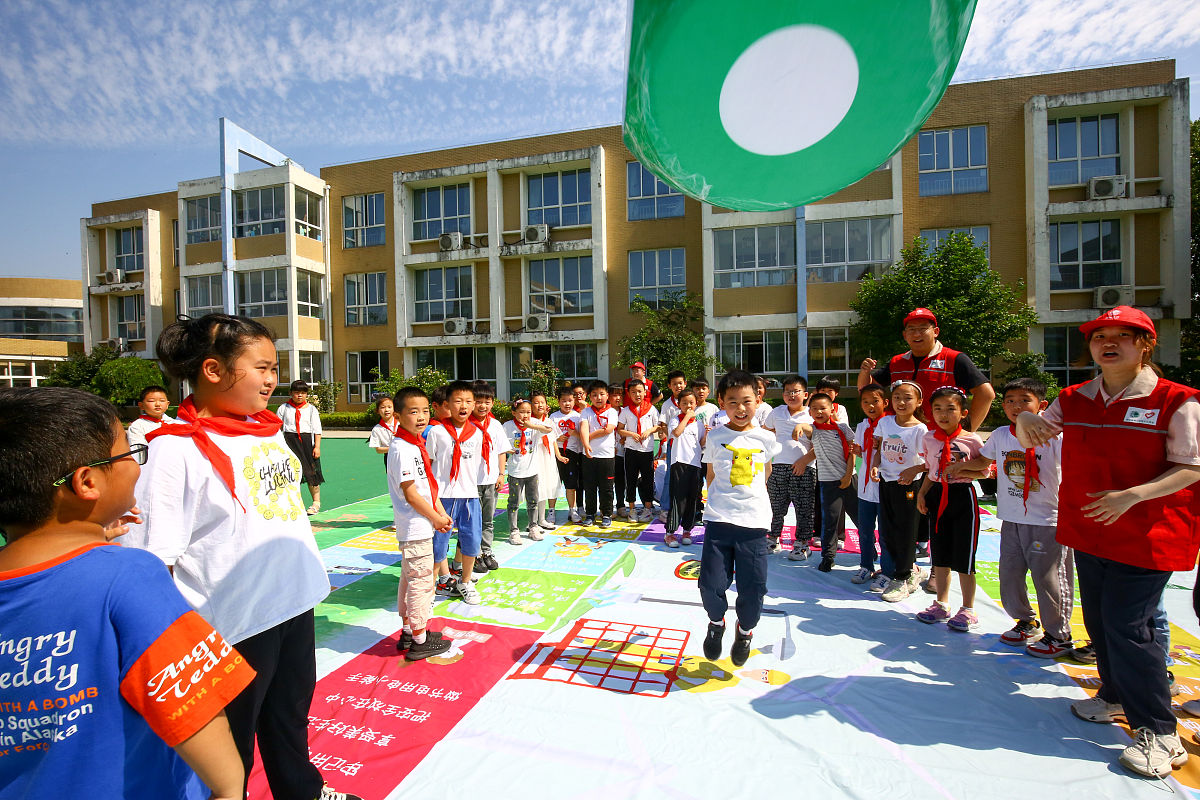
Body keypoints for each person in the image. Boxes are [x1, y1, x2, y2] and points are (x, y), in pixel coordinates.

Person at [122, 314, 356, 800]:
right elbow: (150, 560)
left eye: (275, 368)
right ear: (212, 370)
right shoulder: (174, 452)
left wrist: (307, 571)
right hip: (233, 623)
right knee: (234, 738)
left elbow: (283, 513)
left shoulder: (267, 431)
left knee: (289, 714)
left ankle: (302, 791)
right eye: (263, 367)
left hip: (291, 602)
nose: (274, 379)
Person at [0, 386, 252, 800]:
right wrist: (228, 787)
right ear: (87, 482)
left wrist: (93, 537)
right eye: (127, 453)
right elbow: (192, 706)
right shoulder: (128, 575)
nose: (136, 465)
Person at [1016, 306, 1200, 779]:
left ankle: (1159, 731)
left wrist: (1132, 497)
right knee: (1098, 618)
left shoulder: (1177, 400)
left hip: (1145, 535)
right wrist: (1023, 425)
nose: (1108, 343)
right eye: (1100, 336)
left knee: (1127, 625)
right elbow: (1033, 430)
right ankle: (1114, 695)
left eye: (1123, 335)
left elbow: (1192, 467)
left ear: (1145, 345)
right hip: (1089, 527)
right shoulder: (1074, 397)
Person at [949, 377, 1072, 656]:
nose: (1016, 406)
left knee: (1048, 578)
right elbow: (984, 461)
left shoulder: (1057, 436)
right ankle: (1027, 622)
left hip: (1048, 521)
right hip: (1011, 517)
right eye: (1010, 401)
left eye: (1024, 400)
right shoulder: (1003, 434)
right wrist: (960, 469)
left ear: (1042, 405)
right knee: (1010, 574)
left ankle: (1059, 635)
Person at [699, 370, 781, 667]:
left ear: (758, 400)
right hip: (719, 521)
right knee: (710, 584)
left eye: (747, 401)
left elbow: (767, 471)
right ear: (721, 402)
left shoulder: (765, 439)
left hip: (755, 524)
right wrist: (720, 501)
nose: (741, 408)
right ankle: (716, 623)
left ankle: (744, 632)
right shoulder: (716, 436)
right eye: (732, 402)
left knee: (753, 588)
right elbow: (710, 474)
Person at [387, 387, 454, 661]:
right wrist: (436, 517)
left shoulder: (414, 444)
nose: (421, 416)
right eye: (413, 412)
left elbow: (426, 488)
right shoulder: (402, 448)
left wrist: (438, 510)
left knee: (409, 579)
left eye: (425, 410)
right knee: (422, 583)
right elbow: (412, 494)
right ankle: (419, 637)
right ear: (398, 415)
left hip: (419, 525)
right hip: (415, 527)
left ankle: (409, 630)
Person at [913, 387, 987, 631]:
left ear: (963, 412)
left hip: (962, 497)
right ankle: (941, 604)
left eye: (950, 409)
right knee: (940, 554)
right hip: (936, 495)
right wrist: (922, 494)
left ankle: (968, 609)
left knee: (964, 557)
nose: (943, 415)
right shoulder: (929, 439)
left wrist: (960, 470)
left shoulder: (972, 439)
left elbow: (985, 471)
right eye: (937, 409)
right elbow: (931, 471)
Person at [857, 307, 996, 432]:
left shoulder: (954, 359)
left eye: (923, 328)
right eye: (911, 329)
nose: (917, 334)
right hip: (902, 440)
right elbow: (868, 390)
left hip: (938, 440)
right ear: (905, 335)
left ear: (936, 332)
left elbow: (986, 394)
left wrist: (966, 431)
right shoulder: (897, 362)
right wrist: (865, 371)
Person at [425, 380, 485, 604]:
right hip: (443, 497)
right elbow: (430, 464)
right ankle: (431, 587)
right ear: (448, 404)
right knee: (438, 543)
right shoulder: (437, 432)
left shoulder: (477, 434)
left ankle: (465, 582)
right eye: (458, 401)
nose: (464, 405)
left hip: (469, 495)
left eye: (469, 401)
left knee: (471, 540)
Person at [873, 380, 928, 603]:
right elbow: (879, 450)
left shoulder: (920, 429)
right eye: (897, 397)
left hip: (908, 486)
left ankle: (902, 578)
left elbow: (929, 461)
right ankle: (907, 569)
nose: (902, 402)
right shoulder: (885, 422)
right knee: (887, 530)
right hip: (886, 482)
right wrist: (876, 465)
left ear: (919, 402)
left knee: (906, 532)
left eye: (907, 398)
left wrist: (913, 469)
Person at [799, 393, 859, 573]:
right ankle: (828, 557)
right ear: (809, 412)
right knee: (830, 521)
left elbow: (852, 452)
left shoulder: (842, 427)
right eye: (814, 408)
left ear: (832, 409)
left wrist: (848, 476)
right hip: (827, 482)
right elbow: (806, 428)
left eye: (823, 408)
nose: (819, 411)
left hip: (849, 478)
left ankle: (870, 550)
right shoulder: (814, 430)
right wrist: (800, 426)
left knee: (859, 517)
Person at [763, 375, 816, 559]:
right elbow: (765, 430)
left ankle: (802, 544)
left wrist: (804, 461)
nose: (791, 395)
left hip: (804, 468)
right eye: (787, 392)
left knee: (803, 508)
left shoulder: (812, 414)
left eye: (796, 391)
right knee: (775, 506)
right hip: (778, 466)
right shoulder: (777, 412)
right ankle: (772, 538)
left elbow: (821, 443)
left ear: (805, 394)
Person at [470, 380, 511, 572]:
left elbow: (501, 451)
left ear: (493, 403)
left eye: (487, 401)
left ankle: (486, 551)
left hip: (491, 480)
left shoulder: (495, 425)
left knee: (488, 520)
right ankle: (475, 554)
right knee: (472, 521)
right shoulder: (465, 424)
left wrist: (501, 474)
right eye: (479, 401)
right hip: (471, 482)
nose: (483, 406)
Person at [852, 383, 890, 586]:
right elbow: (861, 451)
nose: (870, 405)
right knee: (865, 530)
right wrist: (857, 451)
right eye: (865, 402)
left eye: (875, 401)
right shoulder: (862, 426)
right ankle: (866, 565)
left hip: (885, 486)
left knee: (885, 533)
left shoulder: (892, 425)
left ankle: (887, 570)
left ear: (885, 402)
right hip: (865, 486)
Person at [664, 387, 706, 548]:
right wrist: (686, 417)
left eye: (691, 403)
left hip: (695, 464)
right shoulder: (676, 419)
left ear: (696, 404)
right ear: (679, 405)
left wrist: (707, 434)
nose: (688, 406)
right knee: (678, 498)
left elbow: (701, 444)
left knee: (692, 498)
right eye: (684, 403)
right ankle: (670, 533)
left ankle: (687, 529)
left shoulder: (699, 424)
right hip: (679, 462)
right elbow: (676, 433)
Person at [276, 379, 324, 515]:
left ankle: (316, 503)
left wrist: (317, 447)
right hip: (289, 442)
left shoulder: (311, 410)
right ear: (291, 393)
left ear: (306, 394)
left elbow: (317, 429)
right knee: (289, 473)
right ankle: (293, 503)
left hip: (307, 443)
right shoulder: (284, 408)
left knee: (311, 473)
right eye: (296, 392)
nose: (299, 395)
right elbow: (277, 427)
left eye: (303, 393)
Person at [617, 378, 660, 521]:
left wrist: (649, 431)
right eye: (633, 392)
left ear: (645, 392)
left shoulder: (651, 409)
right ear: (629, 394)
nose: (637, 394)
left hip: (647, 450)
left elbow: (657, 426)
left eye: (640, 391)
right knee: (631, 480)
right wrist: (631, 434)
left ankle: (647, 509)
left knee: (648, 480)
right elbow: (620, 430)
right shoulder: (626, 411)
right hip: (631, 450)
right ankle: (632, 509)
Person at [578, 380, 619, 527]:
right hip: (589, 456)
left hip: (607, 456)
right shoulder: (586, 412)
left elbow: (608, 429)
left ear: (607, 395)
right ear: (589, 397)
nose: (598, 398)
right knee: (589, 487)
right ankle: (590, 514)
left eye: (602, 394)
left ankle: (606, 514)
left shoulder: (612, 411)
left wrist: (587, 437)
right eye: (594, 395)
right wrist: (586, 444)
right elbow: (583, 427)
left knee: (606, 487)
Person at [503, 399, 544, 544]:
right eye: (521, 412)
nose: (525, 415)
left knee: (533, 500)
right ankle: (514, 531)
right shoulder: (507, 426)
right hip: (515, 471)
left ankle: (533, 526)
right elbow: (500, 445)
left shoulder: (534, 423)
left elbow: (548, 430)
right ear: (514, 413)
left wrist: (530, 425)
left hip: (532, 471)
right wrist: (508, 450)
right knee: (513, 502)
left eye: (528, 412)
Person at [529, 391, 563, 530]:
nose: (539, 405)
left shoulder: (549, 421)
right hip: (535, 458)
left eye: (542, 402)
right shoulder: (529, 422)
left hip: (547, 459)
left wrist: (558, 455)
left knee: (546, 487)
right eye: (536, 403)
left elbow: (553, 440)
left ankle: (542, 519)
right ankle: (532, 520)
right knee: (535, 488)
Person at [657, 371, 688, 521]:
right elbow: (663, 425)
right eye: (674, 384)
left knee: (688, 477)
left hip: (689, 447)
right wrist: (667, 438)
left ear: (685, 383)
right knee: (670, 475)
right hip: (673, 445)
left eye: (680, 383)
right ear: (669, 386)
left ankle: (687, 508)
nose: (678, 386)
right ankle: (665, 508)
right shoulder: (667, 405)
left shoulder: (690, 400)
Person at [551, 385, 584, 522]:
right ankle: (551, 511)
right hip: (557, 453)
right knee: (554, 483)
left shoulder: (578, 416)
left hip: (572, 454)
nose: (567, 403)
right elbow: (548, 436)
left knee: (571, 484)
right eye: (564, 400)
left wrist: (574, 434)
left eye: (570, 400)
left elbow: (583, 435)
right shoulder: (553, 417)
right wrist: (557, 437)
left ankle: (573, 510)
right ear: (558, 401)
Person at [126, 383, 177, 449]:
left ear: (167, 404)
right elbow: (138, 450)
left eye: (162, 401)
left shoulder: (174, 422)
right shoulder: (137, 426)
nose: (158, 404)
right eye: (151, 401)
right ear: (141, 405)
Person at [610, 384, 629, 517]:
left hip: (622, 451)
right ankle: (608, 505)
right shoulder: (604, 412)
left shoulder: (625, 411)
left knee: (621, 480)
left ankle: (621, 504)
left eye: (620, 395)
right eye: (614, 395)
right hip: (607, 452)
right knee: (608, 481)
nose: (618, 398)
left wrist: (625, 438)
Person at [368, 394, 399, 468]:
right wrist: (393, 448)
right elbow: (378, 449)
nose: (386, 410)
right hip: (389, 457)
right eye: (382, 407)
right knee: (393, 478)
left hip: (405, 454)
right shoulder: (377, 429)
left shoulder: (402, 423)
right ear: (377, 411)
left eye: (389, 407)